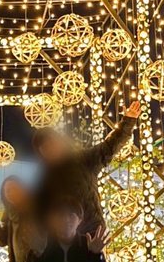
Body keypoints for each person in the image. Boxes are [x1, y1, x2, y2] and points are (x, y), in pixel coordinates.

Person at [32, 101, 140, 235]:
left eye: (52, 143)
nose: (51, 149)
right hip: (66, 239)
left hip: (94, 232)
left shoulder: (82, 160)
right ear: (42, 153)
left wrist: (128, 121)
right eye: (45, 148)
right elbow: (40, 214)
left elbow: (109, 147)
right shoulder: (46, 181)